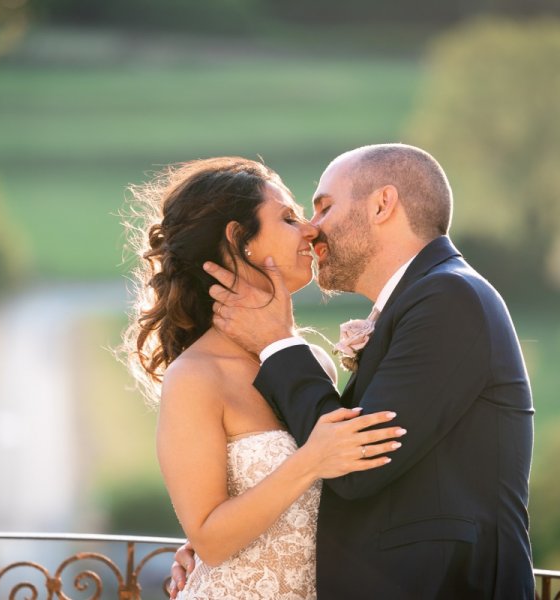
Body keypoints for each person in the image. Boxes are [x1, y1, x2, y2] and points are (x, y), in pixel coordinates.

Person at [173, 144, 535, 598]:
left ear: (382, 204)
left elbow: (352, 465)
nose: (312, 228)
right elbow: (335, 461)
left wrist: (276, 341)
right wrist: (230, 536)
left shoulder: (448, 299)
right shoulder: (423, 301)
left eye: (323, 207)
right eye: (298, 216)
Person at [122, 157, 405, 599]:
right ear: (240, 240)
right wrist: (310, 460)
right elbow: (212, 540)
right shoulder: (195, 377)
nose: (311, 230)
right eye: (289, 218)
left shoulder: (313, 362)